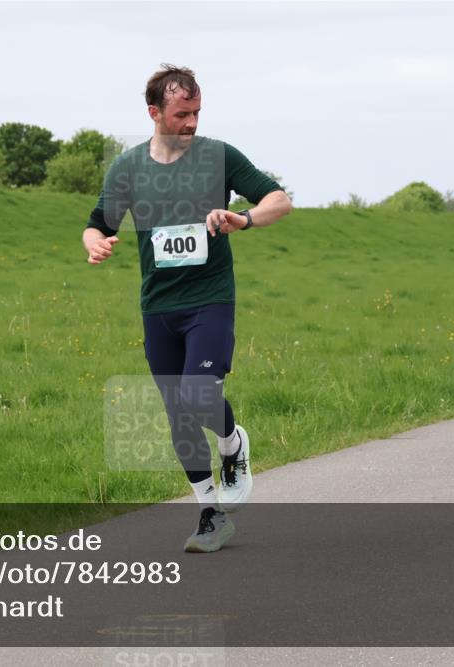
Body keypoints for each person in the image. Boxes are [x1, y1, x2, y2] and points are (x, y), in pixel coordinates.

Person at [81, 64, 292, 553]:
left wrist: (243, 218)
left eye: (197, 112)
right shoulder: (129, 167)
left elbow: (279, 201)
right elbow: (96, 222)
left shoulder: (218, 157)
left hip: (209, 299)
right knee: (177, 413)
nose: (192, 122)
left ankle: (232, 444)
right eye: (182, 114)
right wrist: (95, 243)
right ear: (154, 113)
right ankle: (210, 513)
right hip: (158, 306)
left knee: (199, 393)